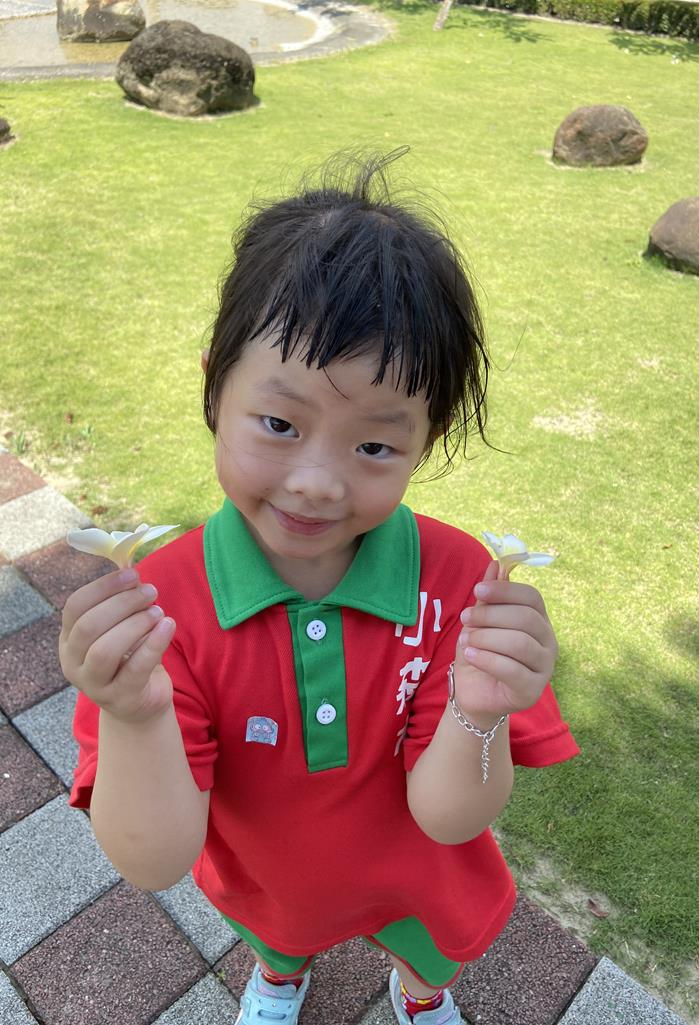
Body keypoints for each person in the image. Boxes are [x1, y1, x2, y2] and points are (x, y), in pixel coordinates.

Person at [60, 149, 580, 1025]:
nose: (316, 483)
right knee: (279, 931)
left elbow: (451, 816)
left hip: (416, 873)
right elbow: (153, 860)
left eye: (373, 445)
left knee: (426, 951)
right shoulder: (159, 609)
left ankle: (419, 995)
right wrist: (135, 714)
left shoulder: (460, 583)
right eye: (278, 422)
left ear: (425, 440)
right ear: (213, 387)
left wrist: (479, 709)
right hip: (268, 878)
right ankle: (279, 974)